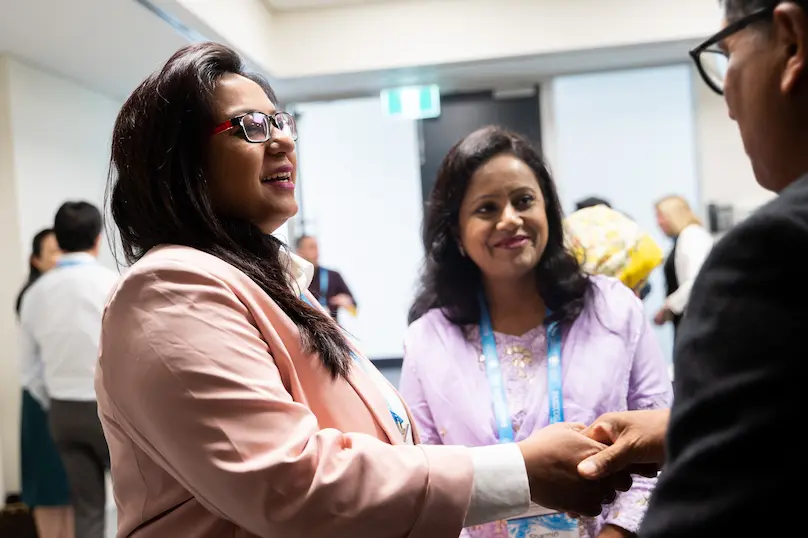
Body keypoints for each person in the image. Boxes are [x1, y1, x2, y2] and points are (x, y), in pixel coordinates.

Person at [95, 42, 633, 538]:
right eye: (251, 126)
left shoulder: (272, 282)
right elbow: (288, 484)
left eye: (280, 121)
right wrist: (520, 471)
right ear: (181, 161)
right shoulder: (171, 289)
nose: (282, 139)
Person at [584, 1, 808, 535]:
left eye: (727, 55)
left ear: (792, 42)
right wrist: (682, 427)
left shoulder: (771, 254)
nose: (727, 99)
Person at [402, 127, 672, 538]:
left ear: (548, 208)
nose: (510, 219)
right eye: (486, 208)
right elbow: (424, 477)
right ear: (456, 232)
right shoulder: (428, 340)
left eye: (524, 200)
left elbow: (659, 449)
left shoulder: (614, 309)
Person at [18, 202, 119, 538]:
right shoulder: (114, 284)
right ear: (98, 239)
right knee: (136, 502)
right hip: (110, 411)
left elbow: (29, 371)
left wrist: (56, 400)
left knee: (87, 508)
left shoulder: (35, 293)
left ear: (59, 241)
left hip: (62, 413)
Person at [15, 229, 73, 538]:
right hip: (41, 401)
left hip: (67, 402)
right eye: (53, 252)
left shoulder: (71, 293)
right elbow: (33, 366)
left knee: (71, 489)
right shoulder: (32, 297)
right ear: (35, 260)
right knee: (47, 489)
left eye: (64, 250)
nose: (61, 258)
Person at [652, 196, 713, 337]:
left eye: (660, 216)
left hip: (696, 323)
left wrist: (669, 307)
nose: (658, 223)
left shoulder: (692, 237)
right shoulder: (685, 238)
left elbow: (695, 281)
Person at [295, 234, 357, 319]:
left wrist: (347, 303)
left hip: (330, 326)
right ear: (300, 252)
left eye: (317, 247)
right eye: (311, 247)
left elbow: (355, 310)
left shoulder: (333, 276)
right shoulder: (294, 280)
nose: (317, 251)